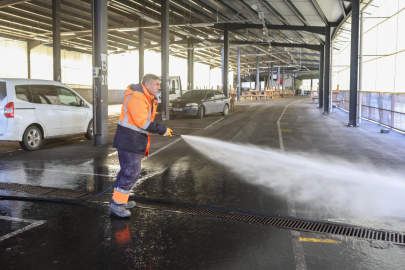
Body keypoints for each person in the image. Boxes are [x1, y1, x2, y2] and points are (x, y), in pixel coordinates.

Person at [110, 74, 174, 217]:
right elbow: (143, 123)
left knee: (127, 172)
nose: (159, 87)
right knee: (131, 172)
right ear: (147, 85)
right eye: (156, 84)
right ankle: (117, 206)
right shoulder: (138, 98)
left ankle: (119, 200)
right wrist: (162, 130)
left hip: (131, 140)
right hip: (129, 140)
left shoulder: (145, 97)